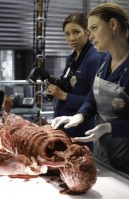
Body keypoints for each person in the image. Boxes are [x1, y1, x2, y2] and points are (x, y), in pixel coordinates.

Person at [51, 2, 129, 186]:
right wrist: (80, 115)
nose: (91, 35)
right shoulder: (105, 61)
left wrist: (110, 128)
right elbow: (93, 98)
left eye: (94, 28)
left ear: (112, 25)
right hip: (104, 153)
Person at [46, 12, 101, 151]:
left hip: (80, 128)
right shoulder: (70, 58)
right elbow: (71, 85)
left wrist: (64, 96)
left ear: (87, 32)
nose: (71, 38)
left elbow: (96, 102)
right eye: (67, 34)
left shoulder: (94, 59)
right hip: (62, 123)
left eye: (76, 32)